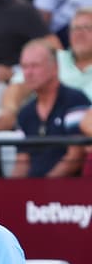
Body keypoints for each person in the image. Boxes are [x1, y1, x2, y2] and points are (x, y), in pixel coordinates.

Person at [11, 40, 88, 178]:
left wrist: (44, 188)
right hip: (33, 193)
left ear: (55, 68)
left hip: (70, 193)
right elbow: (22, 162)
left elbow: (75, 156)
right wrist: (12, 192)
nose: (28, 73)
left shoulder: (75, 100)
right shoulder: (25, 113)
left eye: (35, 66)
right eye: (24, 67)